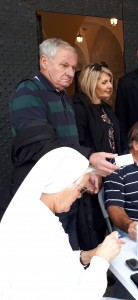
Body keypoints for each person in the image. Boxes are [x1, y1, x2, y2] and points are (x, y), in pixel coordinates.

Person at [8, 38, 119, 249]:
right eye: (64, 65)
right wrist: (88, 157)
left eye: (73, 67)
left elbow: (69, 146)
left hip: (67, 196)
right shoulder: (28, 91)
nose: (70, 72)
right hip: (42, 200)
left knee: (70, 254)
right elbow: (39, 145)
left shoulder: (64, 98)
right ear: (44, 61)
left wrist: (85, 173)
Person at [0, 147, 125, 300]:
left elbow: (58, 265)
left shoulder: (36, 214)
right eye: (80, 189)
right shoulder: (34, 229)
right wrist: (101, 259)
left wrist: (87, 256)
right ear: (62, 184)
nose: (79, 196)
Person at [73, 63, 121, 249]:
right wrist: (91, 171)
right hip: (91, 176)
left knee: (108, 218)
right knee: (92, 223)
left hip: (110, 174)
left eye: (110, 81)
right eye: (104, 82)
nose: (109, 85)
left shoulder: (107, 109)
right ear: (92, 83)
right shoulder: (79, 108)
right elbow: (79, 143)